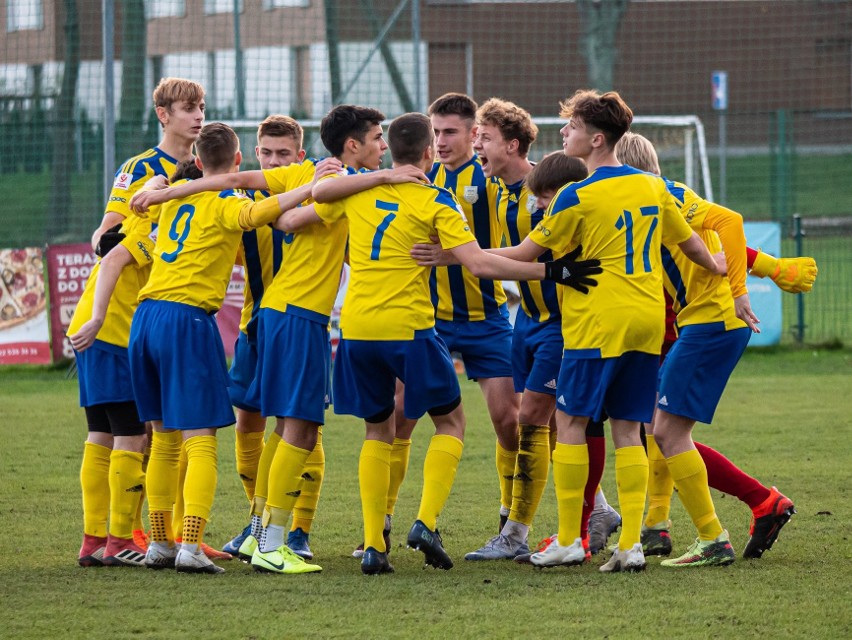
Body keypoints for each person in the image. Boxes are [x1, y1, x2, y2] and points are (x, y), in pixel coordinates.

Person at [311, 112, 601, 575]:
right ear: (428, 152)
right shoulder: (437, 199)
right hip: (413, 328)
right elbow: (480, 264)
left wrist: (373, 177)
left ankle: (372, 545)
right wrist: (554, 270)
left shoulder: (357, 192)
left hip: (357, 330)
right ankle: (424, 522)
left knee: (376, 429)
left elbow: (314, 197)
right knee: (450, 423)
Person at [465, 89, 723, 573]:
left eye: (572, 127)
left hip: (595, 322)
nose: (564, 133)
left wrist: (471, 258)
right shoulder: (652, 186)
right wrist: (720, 265)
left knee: (570, 425)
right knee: (628, 428)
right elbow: (691, 245)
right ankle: (631, 544)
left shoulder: (574, 195)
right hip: (646, 320)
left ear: (597, 138)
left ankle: (569, 539)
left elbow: (525, 256)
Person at [127, 122, 318, 574]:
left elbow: (144, 206)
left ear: (196, 156)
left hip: (145, 317)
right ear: (238, 161)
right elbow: (265, 212)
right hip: (186, 320)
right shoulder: (226, 201)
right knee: (201, 441)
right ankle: (191, 545)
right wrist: (311, 185)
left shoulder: (174, 198)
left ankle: (160, 542)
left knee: (164, 439)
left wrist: (157, 183)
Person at [615, 132, 798, 563]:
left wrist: (740, 290)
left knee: (665, 432)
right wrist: (767, 267)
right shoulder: (666, 196)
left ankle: (722, 530)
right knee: (662, 430)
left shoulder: (663, 198)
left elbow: (730, 223)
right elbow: (715, 248)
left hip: (709, 322)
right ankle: (677, 524)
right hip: (703, 322)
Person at [356, 93, 523, 561]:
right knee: (401, 417)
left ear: (473, 134)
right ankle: (383, 522)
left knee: (508, 420)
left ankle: (509, 516)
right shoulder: (416, 180)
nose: (443, 140)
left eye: (451, 131)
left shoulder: (488, 179)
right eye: (437, 131)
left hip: (486, 318)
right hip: (430, 321)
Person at [70, 77, 205, 568]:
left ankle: (128, 537)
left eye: (201, 107)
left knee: (133, 433)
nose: (197, 115)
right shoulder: (143, 169)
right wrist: (141, 204)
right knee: (135, 433)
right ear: (163, 115)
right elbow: (104, 241)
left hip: (143, 323)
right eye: (187, 108)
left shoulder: (201, 171)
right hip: (121, 322)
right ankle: (122, 538)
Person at [219, 115, 329, 562]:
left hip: (298, 324)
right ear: (254, 155)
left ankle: (297, 529)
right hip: (255, 325)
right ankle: (258, 522)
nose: (273, 159)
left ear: (299, 159)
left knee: (302, 428)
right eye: (266, 152)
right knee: (249, 426)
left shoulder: (316, 193)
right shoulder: (245, 205)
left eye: (283, 153)